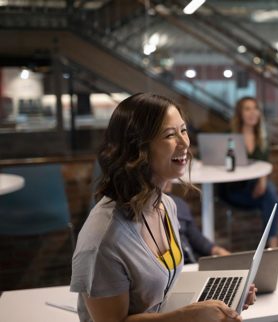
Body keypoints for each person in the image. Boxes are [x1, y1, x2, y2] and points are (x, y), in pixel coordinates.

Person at [71, 93, 255, 322]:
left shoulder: (166, 205)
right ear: (138, 148)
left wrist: (220, 302)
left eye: (184, 130)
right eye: (170, 134)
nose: (185, 143)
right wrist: (189, 317)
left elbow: (160, 294)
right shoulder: (102, 240)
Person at [219, 96, 278, 248]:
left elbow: (264, 165)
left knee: (272, 199)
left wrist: (262, 180)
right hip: (235, 191)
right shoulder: (229, 136)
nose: (252, 112)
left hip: (256, 191)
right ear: (240, 113)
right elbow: (208, 157)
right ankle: (272, 245)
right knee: (275, 201)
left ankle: (271, 243)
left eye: (255, 108)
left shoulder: (262, 138)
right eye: (247, 109)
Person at [165, 182, 230, 263]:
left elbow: (195, 237)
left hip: (189, 262)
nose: (168, 181)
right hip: (167, 266)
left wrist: (216, 250)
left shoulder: (180, 204)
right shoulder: (147, 206)